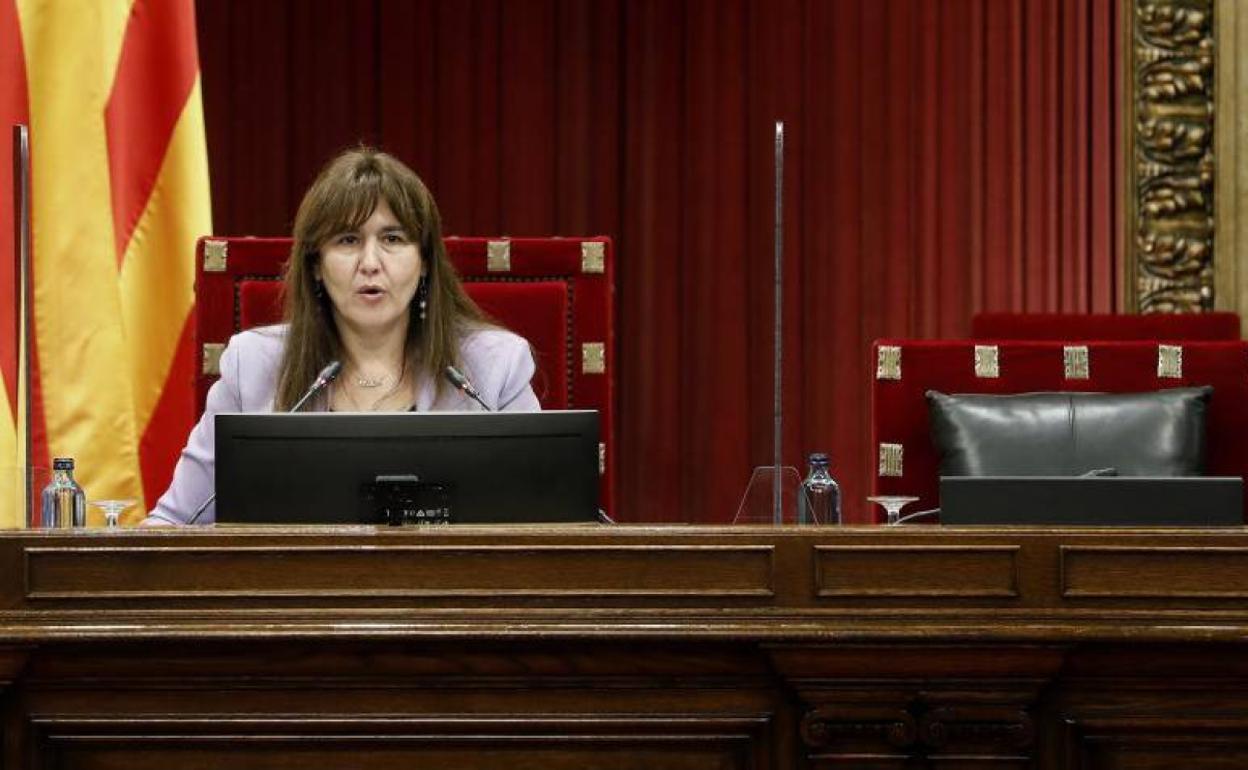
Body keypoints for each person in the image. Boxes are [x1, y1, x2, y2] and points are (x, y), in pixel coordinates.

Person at [145, 147, 539, 525]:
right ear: (316, 265)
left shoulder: (494, 367)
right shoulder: (252, 366)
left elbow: (550, 523)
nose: (370, 264)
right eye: (348, 240)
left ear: (424, 264)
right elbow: (175, 523)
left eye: (393, 239)